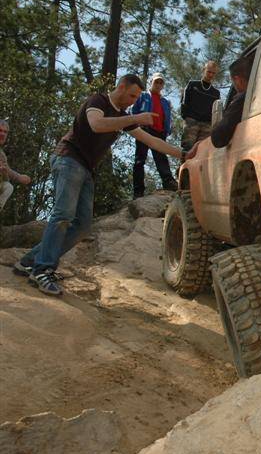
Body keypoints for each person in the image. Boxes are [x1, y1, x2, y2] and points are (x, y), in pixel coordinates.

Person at [14, 74, 198, 296]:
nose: (132, 101)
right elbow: (97, 124)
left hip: (86, 169)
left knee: (82, 226)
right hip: (68, 159)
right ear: (120, 87)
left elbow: (152, 141)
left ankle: (29, 261)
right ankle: (42, 270)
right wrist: (134, 118)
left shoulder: (122, 116)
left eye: (136, 97)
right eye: (131, 95)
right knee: (63, 215)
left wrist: (184, 154)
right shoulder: (97, 101)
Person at [130, 73, 178, 198]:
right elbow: (133, 111)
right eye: (156, 82)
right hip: (144, 130)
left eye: (161, 82)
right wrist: (138, 123)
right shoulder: (143, 96)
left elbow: (167, 118)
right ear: (151, 82)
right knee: (140, 160)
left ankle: (168, 183)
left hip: (159, 133)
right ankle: (138, 191)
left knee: (161, 158)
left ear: (163, 85)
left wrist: (166, 130)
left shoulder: (165, 102)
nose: (158, 84)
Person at [211, 57, 252, 148]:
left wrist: (215, 127)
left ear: (238, 80)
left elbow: (218, 138)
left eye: (232, 82)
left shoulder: (242, 100)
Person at [181, 61, 220, 151]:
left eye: (213, 73)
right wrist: (187, 118)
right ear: (203, 70)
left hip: (206, 125)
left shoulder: (216, 93)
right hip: (192, 122)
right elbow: (184, 101)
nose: (210, 75)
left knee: (202, 151)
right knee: (188, 148)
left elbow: (216, 110)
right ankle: (184, 165)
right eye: (209, 72)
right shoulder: (192, 85)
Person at [0, 120, 32, 211]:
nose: (2, 134)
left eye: (5, 132)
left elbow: (6, 172)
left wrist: (19, 177)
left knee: (7, 186)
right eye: (0, 130)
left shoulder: (1, 154)